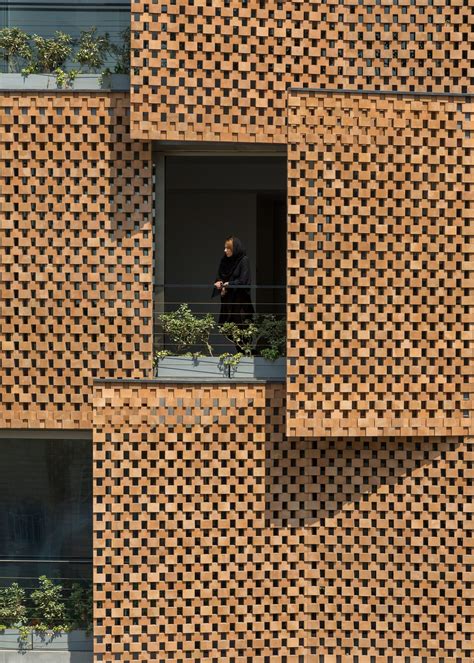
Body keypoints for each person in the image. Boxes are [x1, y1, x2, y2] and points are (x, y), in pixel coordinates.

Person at [213, 236, 254, 328]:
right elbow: (220, 276)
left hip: (239, 301)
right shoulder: (224, 260)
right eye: (225, 248)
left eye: (228, 248)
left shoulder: (243, 260)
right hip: (227, 300)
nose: (225, 250)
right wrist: (219, 282)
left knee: (241, 328)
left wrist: (230, 284)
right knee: (226, 327)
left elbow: (244, 280)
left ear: (234, 249)